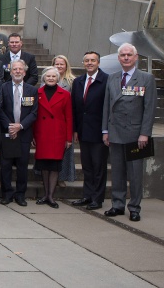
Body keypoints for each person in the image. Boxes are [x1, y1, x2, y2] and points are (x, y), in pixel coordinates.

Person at [102, 43, 156, 222]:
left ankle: (134, 207)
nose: (126, 58)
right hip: (115, 131)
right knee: (117, 172)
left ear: (136, 57)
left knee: (135, 174)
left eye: (129, 55)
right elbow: (107, 106)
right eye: (123, 55)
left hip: (135, 134)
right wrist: (105, 130)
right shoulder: (113, 78)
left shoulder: (146, 78)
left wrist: (145, 133)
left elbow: (149, 108)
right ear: (118, 58)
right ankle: (117, 204)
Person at [70, 51, 109, 210]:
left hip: (99, 132)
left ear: (98, 63)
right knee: (87, 166)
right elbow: (75, 107)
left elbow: (109, 107)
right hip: (83, 131)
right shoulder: (78, 81)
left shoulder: (106, 80)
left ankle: (97, 199)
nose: (90, 63)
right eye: (87, 60)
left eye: (93, 60)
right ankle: (87, 195)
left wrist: (107, 130)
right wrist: (75, 129)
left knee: (98, 167)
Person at [0, 60, 38, 206]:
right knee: (6, 165)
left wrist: (20, 126)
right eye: (15, 69)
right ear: (10, 71)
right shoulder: (3, 88)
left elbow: (34, 113)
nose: (17, 71)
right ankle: (7, 194)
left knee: (22, 166)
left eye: (20, 69)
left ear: (25, 72)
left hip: (24, 133)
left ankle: (20, 194)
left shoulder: (32, 90)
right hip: (7, 133)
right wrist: (10, 127)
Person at [33, 67, 73, 208]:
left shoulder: (65, 94)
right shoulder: (37, 93)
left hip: (57, 134)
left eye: (53, 76)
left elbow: (68, 117)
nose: (50, 78)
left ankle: (51, 196)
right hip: (42, 133)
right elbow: (34, 116)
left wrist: (68, 138)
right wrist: (33, 135)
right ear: (43, 78)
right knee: (44, 165)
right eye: (48, 76)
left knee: (54, 166)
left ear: (58, 78)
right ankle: (45, 194)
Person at [50, 55, 76, 186]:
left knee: (65, 152)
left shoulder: (72, 81)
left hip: (64, 121)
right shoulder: (47, 79)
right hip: (49, 122)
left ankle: (61, 177)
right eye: (57, 64)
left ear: (66, 66)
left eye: (62, 64)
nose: (59, 66)